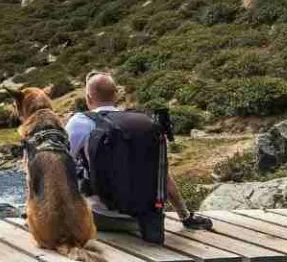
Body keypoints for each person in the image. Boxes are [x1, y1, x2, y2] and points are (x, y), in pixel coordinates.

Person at [65, 72, 210, 243]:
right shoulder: (142, 123)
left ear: (88, 98)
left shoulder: (80, 122)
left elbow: (58, 166)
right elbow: (162, 174)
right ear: (116, 95)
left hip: (99, 217)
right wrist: (185, 216)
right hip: (143, 221)